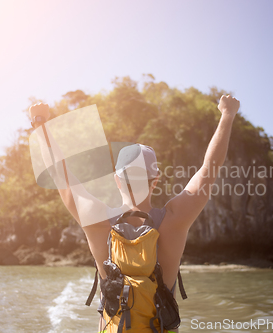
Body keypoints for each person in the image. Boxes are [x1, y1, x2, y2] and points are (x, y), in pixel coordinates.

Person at [29, 95, 240, 332]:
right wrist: (227, 114)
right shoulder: (173, 221)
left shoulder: (96, 220)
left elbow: (60, 175)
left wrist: (40, 124)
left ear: (117, 180)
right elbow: (209, 168)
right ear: (155, 181)